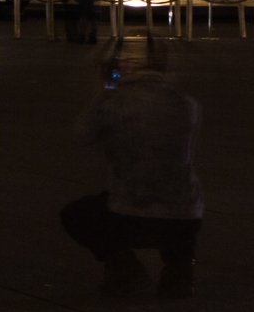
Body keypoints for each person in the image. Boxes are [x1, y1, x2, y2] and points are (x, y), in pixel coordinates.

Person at [60, 39, 203, 297]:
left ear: (124, 66)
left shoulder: (115, 101)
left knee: (76, 214)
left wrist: (105, 89)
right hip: (186, 215)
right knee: (178, 197)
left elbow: (81, 135)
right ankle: (180, 270)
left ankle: (125, 270)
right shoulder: (185, 102)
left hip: (132, 212)